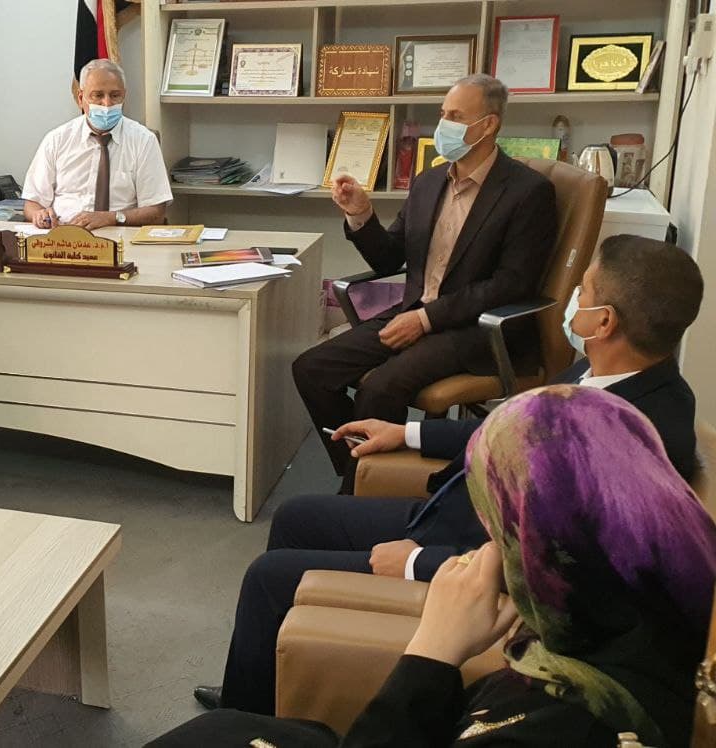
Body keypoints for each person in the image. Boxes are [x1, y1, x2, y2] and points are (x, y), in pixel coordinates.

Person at [197, 235, 704, 715]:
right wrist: (406, 433)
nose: (573, 297)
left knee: (268, 579)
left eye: (584, 289)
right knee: (296, 516)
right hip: (451, 514)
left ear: (604, 320)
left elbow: (559, 564)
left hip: (468, 558)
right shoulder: (595, 373)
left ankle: (246, 720)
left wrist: (419, 563)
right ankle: (261, 686)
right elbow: (506, 433)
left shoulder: (644, 434)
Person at [156, 386, 716, 747]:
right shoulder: (639, 613)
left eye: (498, 528)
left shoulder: (570, 721)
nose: (490, 548)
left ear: (538, 546)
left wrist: (432, 652)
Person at [294, 73, 558, 482]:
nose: (443, 125)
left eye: (456, 116)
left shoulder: (528, 192)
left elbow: (512, 284)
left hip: (476, 329)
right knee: (311, 368)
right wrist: (361, 214)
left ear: (489, 124)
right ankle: (365, 478)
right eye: (443, 114)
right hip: (413, 312)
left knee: (380, 388)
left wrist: (426, 319)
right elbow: (389, 258)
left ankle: (363, 490)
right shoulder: (429, 181)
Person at [22, 58, 172, 230]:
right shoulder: (57, 139)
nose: (107, 104)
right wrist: (39, 215)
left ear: (124, 96)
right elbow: (32, 203)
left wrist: (112, 218)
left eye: (115, 95)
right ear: (81, 98)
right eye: (98, 95)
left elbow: (156, 212)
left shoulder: (143, 140)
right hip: (64, 235)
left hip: (120, 236)